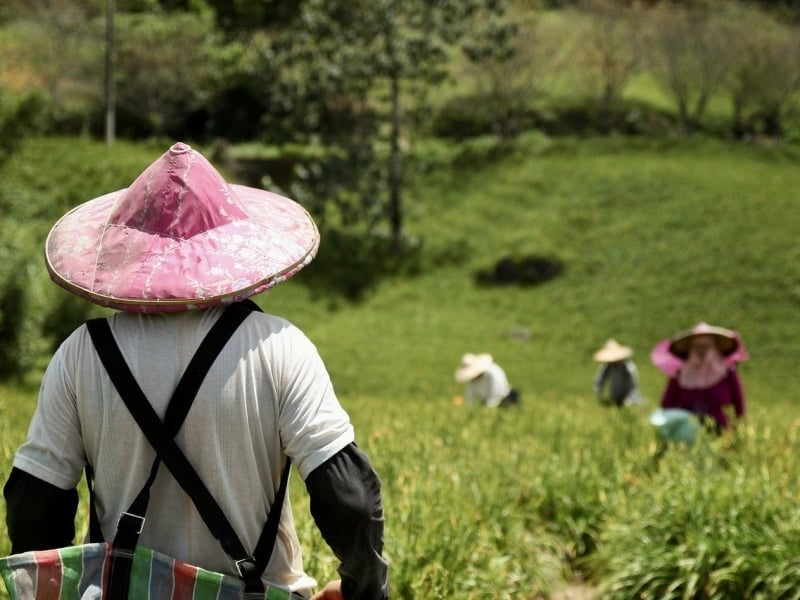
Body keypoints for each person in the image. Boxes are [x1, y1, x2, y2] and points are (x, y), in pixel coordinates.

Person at [2, 143, 389, 600]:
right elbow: (351, 501)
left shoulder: (82, 354)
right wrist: (364, 591)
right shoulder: (278, 347)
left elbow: (35, 508)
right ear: (231, 249)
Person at [654, 322, 747, 433]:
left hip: (721, 432)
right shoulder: (680, 375)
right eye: (697, 347)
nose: (702, 351)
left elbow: (739, 404)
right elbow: (667, 405)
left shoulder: (727, 373)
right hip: (687, 433)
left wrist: (738, 431)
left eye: (706, 346)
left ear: (714, 347)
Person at [454, 353, 519, 407]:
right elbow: (469, 397)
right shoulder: (472, 380)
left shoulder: (493, 373)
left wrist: (488, 406)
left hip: (505, 399)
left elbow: (496, 392)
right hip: (487, 401)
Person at [592, 339, 641, 407]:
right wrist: (598, 393)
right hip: (615, 397)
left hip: (630, 398)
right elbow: (600, 379)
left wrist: (628, 400)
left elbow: (633, 386)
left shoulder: (629, 367)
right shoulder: (607, 366)